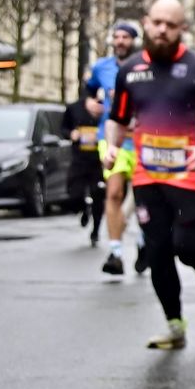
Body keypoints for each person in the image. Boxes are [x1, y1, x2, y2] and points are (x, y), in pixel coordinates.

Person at [103, 0, 195, 350]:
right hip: (148, 176)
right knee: (158, 251)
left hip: (190, 176)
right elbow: (117, 118)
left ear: (182, 29)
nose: (162, 30)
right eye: (157, 23)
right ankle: (175, 325)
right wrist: (113, 146)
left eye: (170, 25)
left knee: (186, 246)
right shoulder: (130, 69)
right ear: (146, 22)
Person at [86, 20, 143, 277]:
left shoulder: (146, 66)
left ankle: (143, 244)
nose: (120, 41)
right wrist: (90, 104)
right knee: (115, 192)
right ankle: (116, 252)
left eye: (125, 37)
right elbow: (89, 92)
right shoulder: (101, 67)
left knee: (144, 197)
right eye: (116, 37)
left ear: (134, 41)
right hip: (112, 139)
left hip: (144, 140)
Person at [62, 90, 107, 243]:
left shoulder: (107, 107)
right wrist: (70, 134)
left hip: (98, 161)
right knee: (74, 193)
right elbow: (64, 128)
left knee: (98, 195)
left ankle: (96, 231)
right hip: (79, 160)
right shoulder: (74, 108)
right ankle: (83, 208)